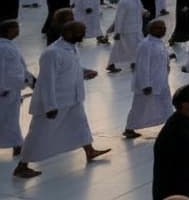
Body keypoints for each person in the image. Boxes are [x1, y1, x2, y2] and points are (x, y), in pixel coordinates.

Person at [13, 21, 110, 179]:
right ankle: (22, 165)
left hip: (73, 98)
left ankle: (89, 151)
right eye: (80, 32)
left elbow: (70, 68)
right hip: (55, 102)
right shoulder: (52, 53)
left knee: (80, 125)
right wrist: (50, 106)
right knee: (39, 133)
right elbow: (46, 81)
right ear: (68, 33)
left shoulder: (71, 48)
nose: (83, 35)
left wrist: (85, 72)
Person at [124, 18, 172, 138]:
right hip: (148, 84)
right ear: (150, 29)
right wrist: (145, 85)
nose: (163, 30)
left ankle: (170, 126)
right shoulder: (145, 45)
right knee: (140, 107)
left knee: (166, 104)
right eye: (159, 28)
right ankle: (129, 128)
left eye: (164, 28)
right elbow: (142, 66)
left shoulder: (159, 42)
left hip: (161, 81)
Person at [0, 20, 34, 155]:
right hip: (5, 92)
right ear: (9, 31)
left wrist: (31, 81)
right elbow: (7, 71)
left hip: (9, 90)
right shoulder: (5, 48)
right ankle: (17, 145)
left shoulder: (8, 46)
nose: (18, 31)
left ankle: (17, 144)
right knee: (8, 119)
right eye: (16, 28)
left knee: (10, 119)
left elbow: (19, 69)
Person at [108, 0, 146, 73]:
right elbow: (119, 17)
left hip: (137, 28)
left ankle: (133, 62)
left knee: (136, 46)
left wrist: (145, 12)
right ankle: (133, 63)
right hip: (127, 30)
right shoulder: (124, 2)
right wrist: (117, 32)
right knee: (128, 47)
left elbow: (140, 9)